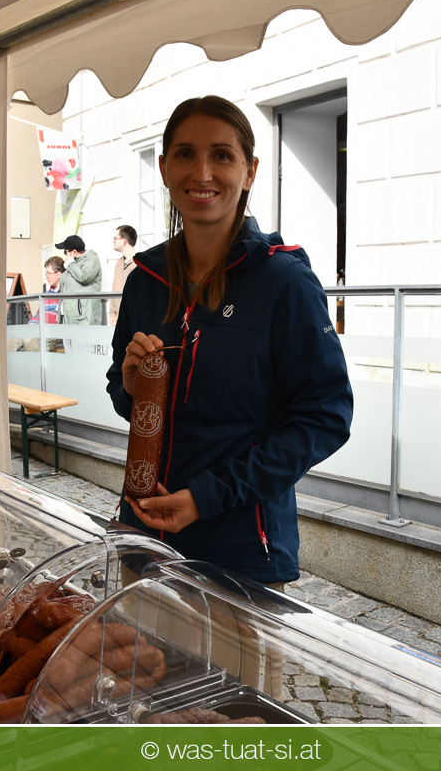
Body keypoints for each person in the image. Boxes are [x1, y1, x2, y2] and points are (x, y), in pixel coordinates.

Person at [108, 95, 353, 585]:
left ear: (250, 171)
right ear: (164, 168)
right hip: (143, 537)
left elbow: (325, 418)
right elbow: (122, 392)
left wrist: (206, 497)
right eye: (185, 154)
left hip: (240, 554)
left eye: (221, 155)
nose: (202, 172)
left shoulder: (284, 282)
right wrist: (131, 388)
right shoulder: (145, 282)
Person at [55, 235, 103, 325]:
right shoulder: (74, 263)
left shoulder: (91, 259)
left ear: (74, 252)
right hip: (70, 315)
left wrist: (70, 263)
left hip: (83, 317)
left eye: (65, 252)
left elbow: (84, 277)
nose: (65, 255)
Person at [108, 224, 137, 326]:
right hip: (118, 320)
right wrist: (112, 314)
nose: (113, 241)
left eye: (115, 238)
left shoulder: (138, 264)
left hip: (132, 319)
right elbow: (114, 289)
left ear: (124, 241)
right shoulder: (119, 263)